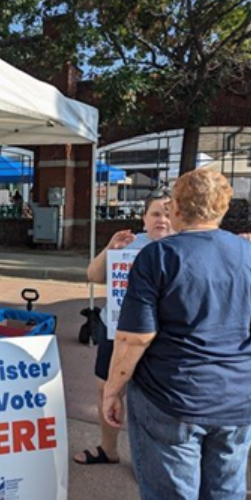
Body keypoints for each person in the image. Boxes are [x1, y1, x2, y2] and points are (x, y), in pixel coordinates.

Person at [103, 169, 251, 500]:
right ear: (223, 207)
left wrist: (113, 389)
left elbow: (135, 337)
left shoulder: (158, 257)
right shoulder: (249, 254)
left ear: (175, 208)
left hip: (172, 397)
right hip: (236, 399)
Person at [74, 189, 173, 465]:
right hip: (116, 328)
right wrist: (110, 249)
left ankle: (154, 461)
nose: (161, 220)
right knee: (107, 387)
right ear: (144, 218)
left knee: (156, 397)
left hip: (160, 335)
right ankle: (109, 449)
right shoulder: (130, 245)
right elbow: (93, 275)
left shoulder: (185, 247)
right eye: (155, 214)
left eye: (167, 214)